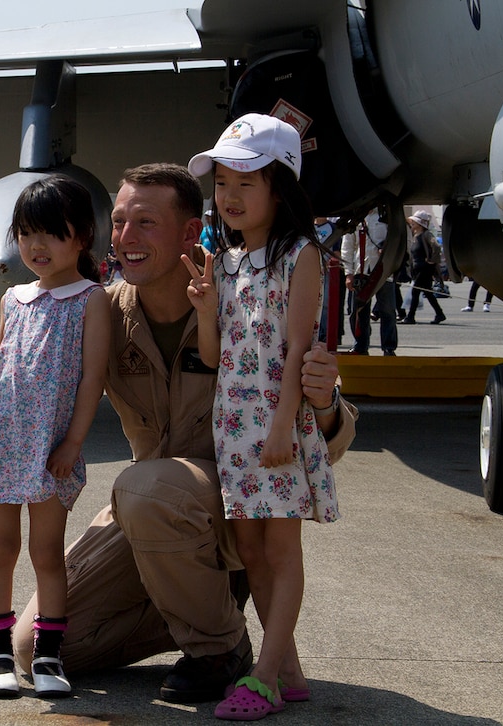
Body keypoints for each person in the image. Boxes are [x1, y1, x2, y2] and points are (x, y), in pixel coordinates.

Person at [0, 162, 356, 706]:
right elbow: (29, 404)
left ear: (189, 233)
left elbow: (330, 435)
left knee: (146, 489)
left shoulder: (236, 298)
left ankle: (218, 646)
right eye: (117, 222)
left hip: (230, 503)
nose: (126, 239)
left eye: (145, 223)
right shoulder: (99, 310)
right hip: (153, 517)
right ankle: (203, 597)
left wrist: (322, 403)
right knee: (33, 646)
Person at [183, 114, 339, 720]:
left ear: (281, 186)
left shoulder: (299, 256)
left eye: (245, 182)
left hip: (277, 423)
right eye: (222, 183)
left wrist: (283, 424)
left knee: (280, 550)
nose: (229, 197)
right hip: (233, 425)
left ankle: (266, 676)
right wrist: (203, 308)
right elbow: (213, 353)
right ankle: (291, 670)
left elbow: (299, 349)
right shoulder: (226, 263)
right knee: (250, 547)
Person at [0, 175, 110, 699]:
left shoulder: (91, 299)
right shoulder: (12, 299)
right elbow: (0, 377)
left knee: (46, 553)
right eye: (26, 234)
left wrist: (73, 442)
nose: (37, 247)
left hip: (50, 449)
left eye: (52, 234)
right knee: (0, 548)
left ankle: (47, 655)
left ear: (82, 237)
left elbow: (92, 379)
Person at [343, 208, 398, 356]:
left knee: (388, 311)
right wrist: (348, 273)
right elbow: (347, 246)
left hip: (384, 270)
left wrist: (388, 249)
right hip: (361, 270)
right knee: (358, 312)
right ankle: (360, 345)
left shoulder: (388, 216)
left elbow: (399, 239)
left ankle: (389, 347)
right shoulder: (355, 217)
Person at [403, 210, 446, 324]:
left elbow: (436, 247)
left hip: (424, 269)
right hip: (417, 269)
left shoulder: (426, 235)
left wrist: (432, 261)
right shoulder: (415, 236)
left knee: (415, 291)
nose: (412, 223)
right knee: (428, 292)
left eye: (414, 221)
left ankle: (410, 317)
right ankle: (439, 313)